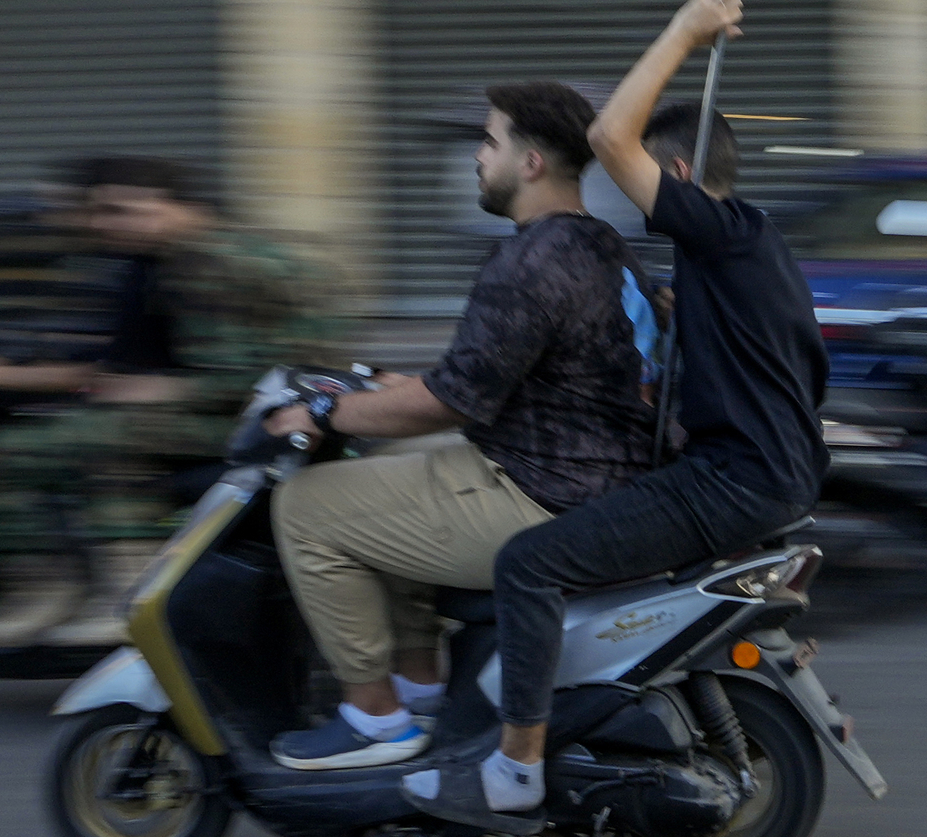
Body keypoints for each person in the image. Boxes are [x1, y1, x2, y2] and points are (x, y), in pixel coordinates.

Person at [398, 0, 827, 834]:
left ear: (673, 178)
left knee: (529, 563)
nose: (614, 197)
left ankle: (514, 768)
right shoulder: (742, 254)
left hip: (731, 480)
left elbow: (605, 134)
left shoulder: (720, 233)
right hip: (765, 472)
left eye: (632, 186)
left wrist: (687, 30)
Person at [257, 81, 659, 772]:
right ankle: (421, 686)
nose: (477, 157)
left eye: (489, 141)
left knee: (305, 508)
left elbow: (453, 400)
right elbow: (504, 372)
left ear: (529, 162)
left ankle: (375, 719)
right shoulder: (601, 246)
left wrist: (323, 410)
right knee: (385, 477)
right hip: (595, 475)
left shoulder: (529, 260)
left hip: (546, 494)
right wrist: (389, 388)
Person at [0, 156, 334, 651]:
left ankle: (52, 588)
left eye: (125, 211)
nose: (104, 224)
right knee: (102, 439)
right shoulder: (172, 261)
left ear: (183, 208)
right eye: (100, 211)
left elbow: (248, 376)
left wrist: (162, 389)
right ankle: (115, 587)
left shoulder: (211, 266)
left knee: (3, 454)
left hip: (266, 422)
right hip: (259, 414)